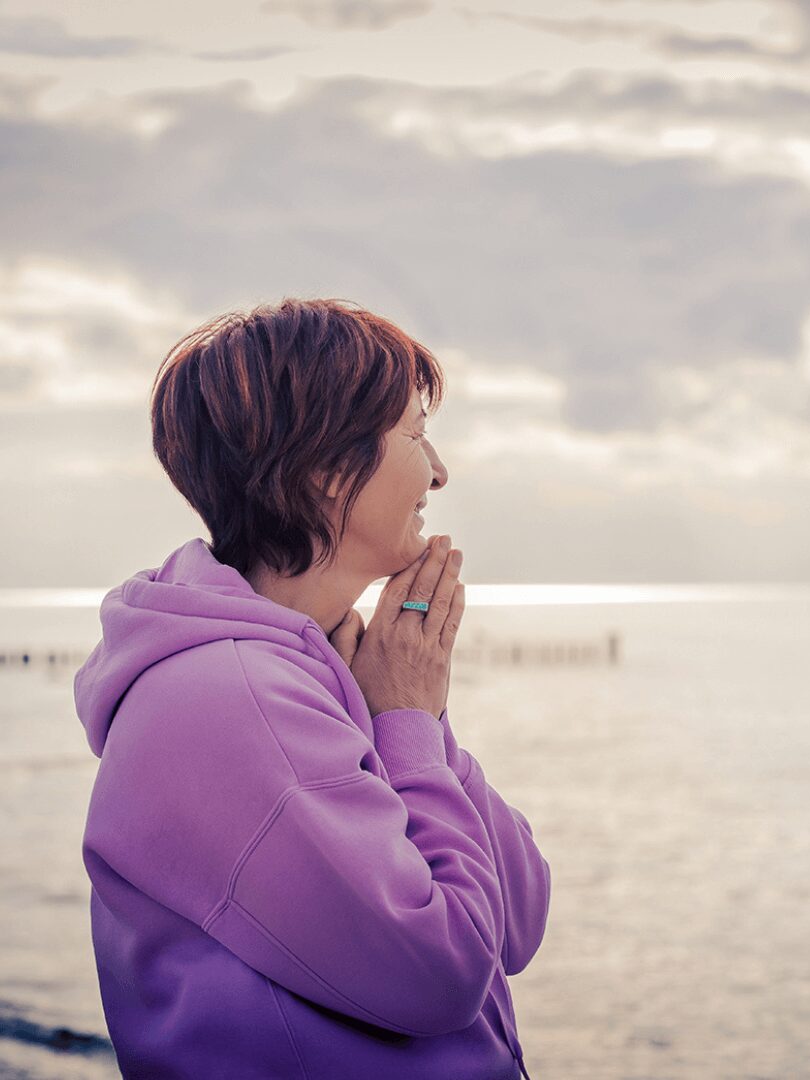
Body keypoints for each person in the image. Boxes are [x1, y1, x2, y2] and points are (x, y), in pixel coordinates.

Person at [73, 297, 551, 1079]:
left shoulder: (316, 675)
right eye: (416, 433)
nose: (439, 471)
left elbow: (518, 922)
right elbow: (445, 975)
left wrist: (414, 717)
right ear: (328, 468)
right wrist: (403, 717)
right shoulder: (228, 700)